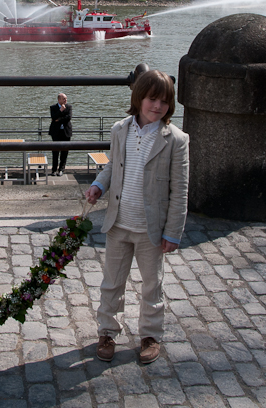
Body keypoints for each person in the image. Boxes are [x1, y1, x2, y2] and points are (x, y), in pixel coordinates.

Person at [84, 70, 189, 365]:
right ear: (138, 98)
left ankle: (151, 335)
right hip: (118, 223)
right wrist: (98, 185)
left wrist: (173, 232)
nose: (158, 107)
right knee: (111, 283)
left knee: (152, 285)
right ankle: (107, 332)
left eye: (165, 101)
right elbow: (112, 167)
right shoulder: (120, 130)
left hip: (150, 230)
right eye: (152, 99)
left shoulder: (176, 140)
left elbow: (180, 190)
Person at [48, 92, 72, 176]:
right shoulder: (53, 107)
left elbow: (68, 118)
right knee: (55, 151)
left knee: (64, 151)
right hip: (56, 132)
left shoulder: (69, 107)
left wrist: (58, 120)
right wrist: (60, 111)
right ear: (59, 100)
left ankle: (61, 169)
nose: (66, 100)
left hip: (66, 132)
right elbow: (53, 117)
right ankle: (54, 169)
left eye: (66, 98)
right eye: (64, 99)